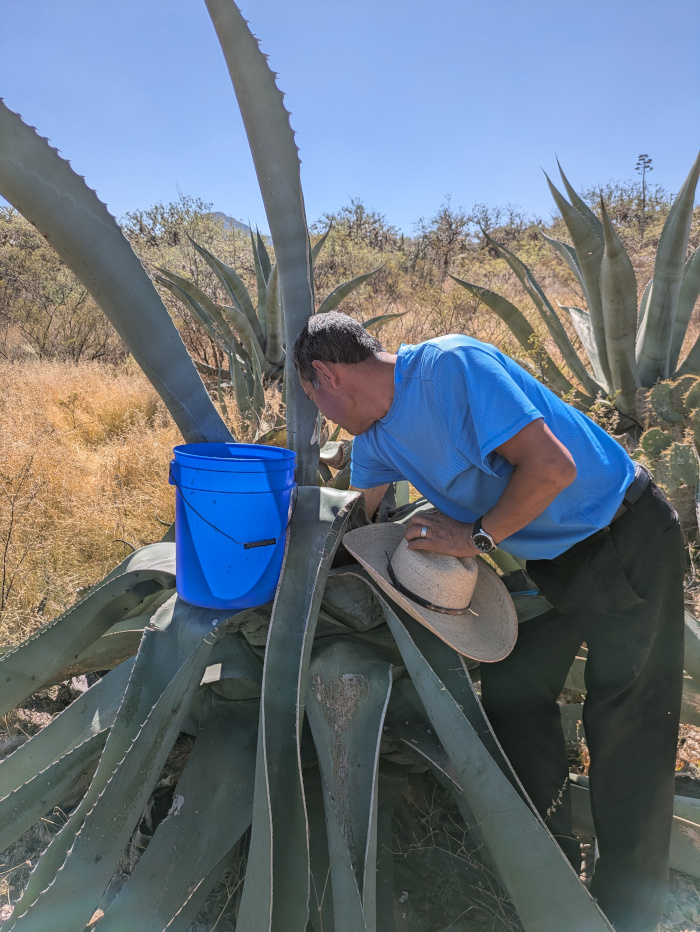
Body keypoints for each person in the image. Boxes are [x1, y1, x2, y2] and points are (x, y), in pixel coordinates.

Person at [292, 310, 685, 932]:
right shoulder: (377, 442)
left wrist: (473, 536)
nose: (322, 417)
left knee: (628, 725)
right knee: (513, 688)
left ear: (325, 374)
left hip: (623, 537)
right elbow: (360, 525)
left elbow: (552, 469)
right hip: (551, 564)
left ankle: (626, 911)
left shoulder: (453, 368)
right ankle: (552, 856)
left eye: (313, 402)